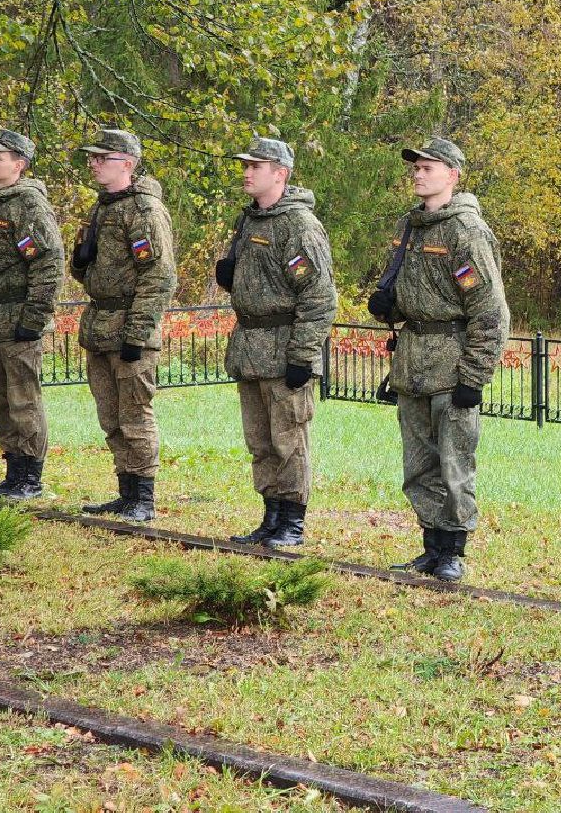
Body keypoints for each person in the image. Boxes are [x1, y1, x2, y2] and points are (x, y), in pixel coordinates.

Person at [368, 138, 510, 582]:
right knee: (419, 465)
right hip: (413, 361)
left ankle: (453, 550)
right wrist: (389, 303)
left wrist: (475, 375)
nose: (418, 173)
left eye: (429, 167)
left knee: (454, 463)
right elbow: (412, 287)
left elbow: (490, 311)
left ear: (453, 175)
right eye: (416, 167)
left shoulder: (464, 232)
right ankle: (431, 545)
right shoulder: (410, 227)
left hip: (451, 363)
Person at [217, 138, 337, 548]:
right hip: (251, 346)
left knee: (288, 439)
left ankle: (292, 522)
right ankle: (270, 515)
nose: (247, 172)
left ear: (280, 174)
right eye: (246, 165)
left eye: (257, 166)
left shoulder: (298, 225)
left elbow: (318, 298)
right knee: (261, 440)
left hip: (285, 348)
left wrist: (302, 355)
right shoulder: (249, 220)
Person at [71, 129, 177, 522]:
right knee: (110, 415)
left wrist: (137, 333)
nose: (94, 163)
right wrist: (81, 262)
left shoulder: (144, 211)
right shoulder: (102, 208)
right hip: (101, 324)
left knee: (135, 414)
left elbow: (159, 276)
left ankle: (143, 497)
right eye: (92, 158)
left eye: (103, 158)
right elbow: (97, 274)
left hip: (131, 327)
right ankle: (125, 491)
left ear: (127, 164)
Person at [0, 129, 65, 501]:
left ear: (19, 164)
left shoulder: (28, 204)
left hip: (18, 316)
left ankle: (29, 477)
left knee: (24, 399)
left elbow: (47, 261)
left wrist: (34, 316)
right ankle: (13, 473)